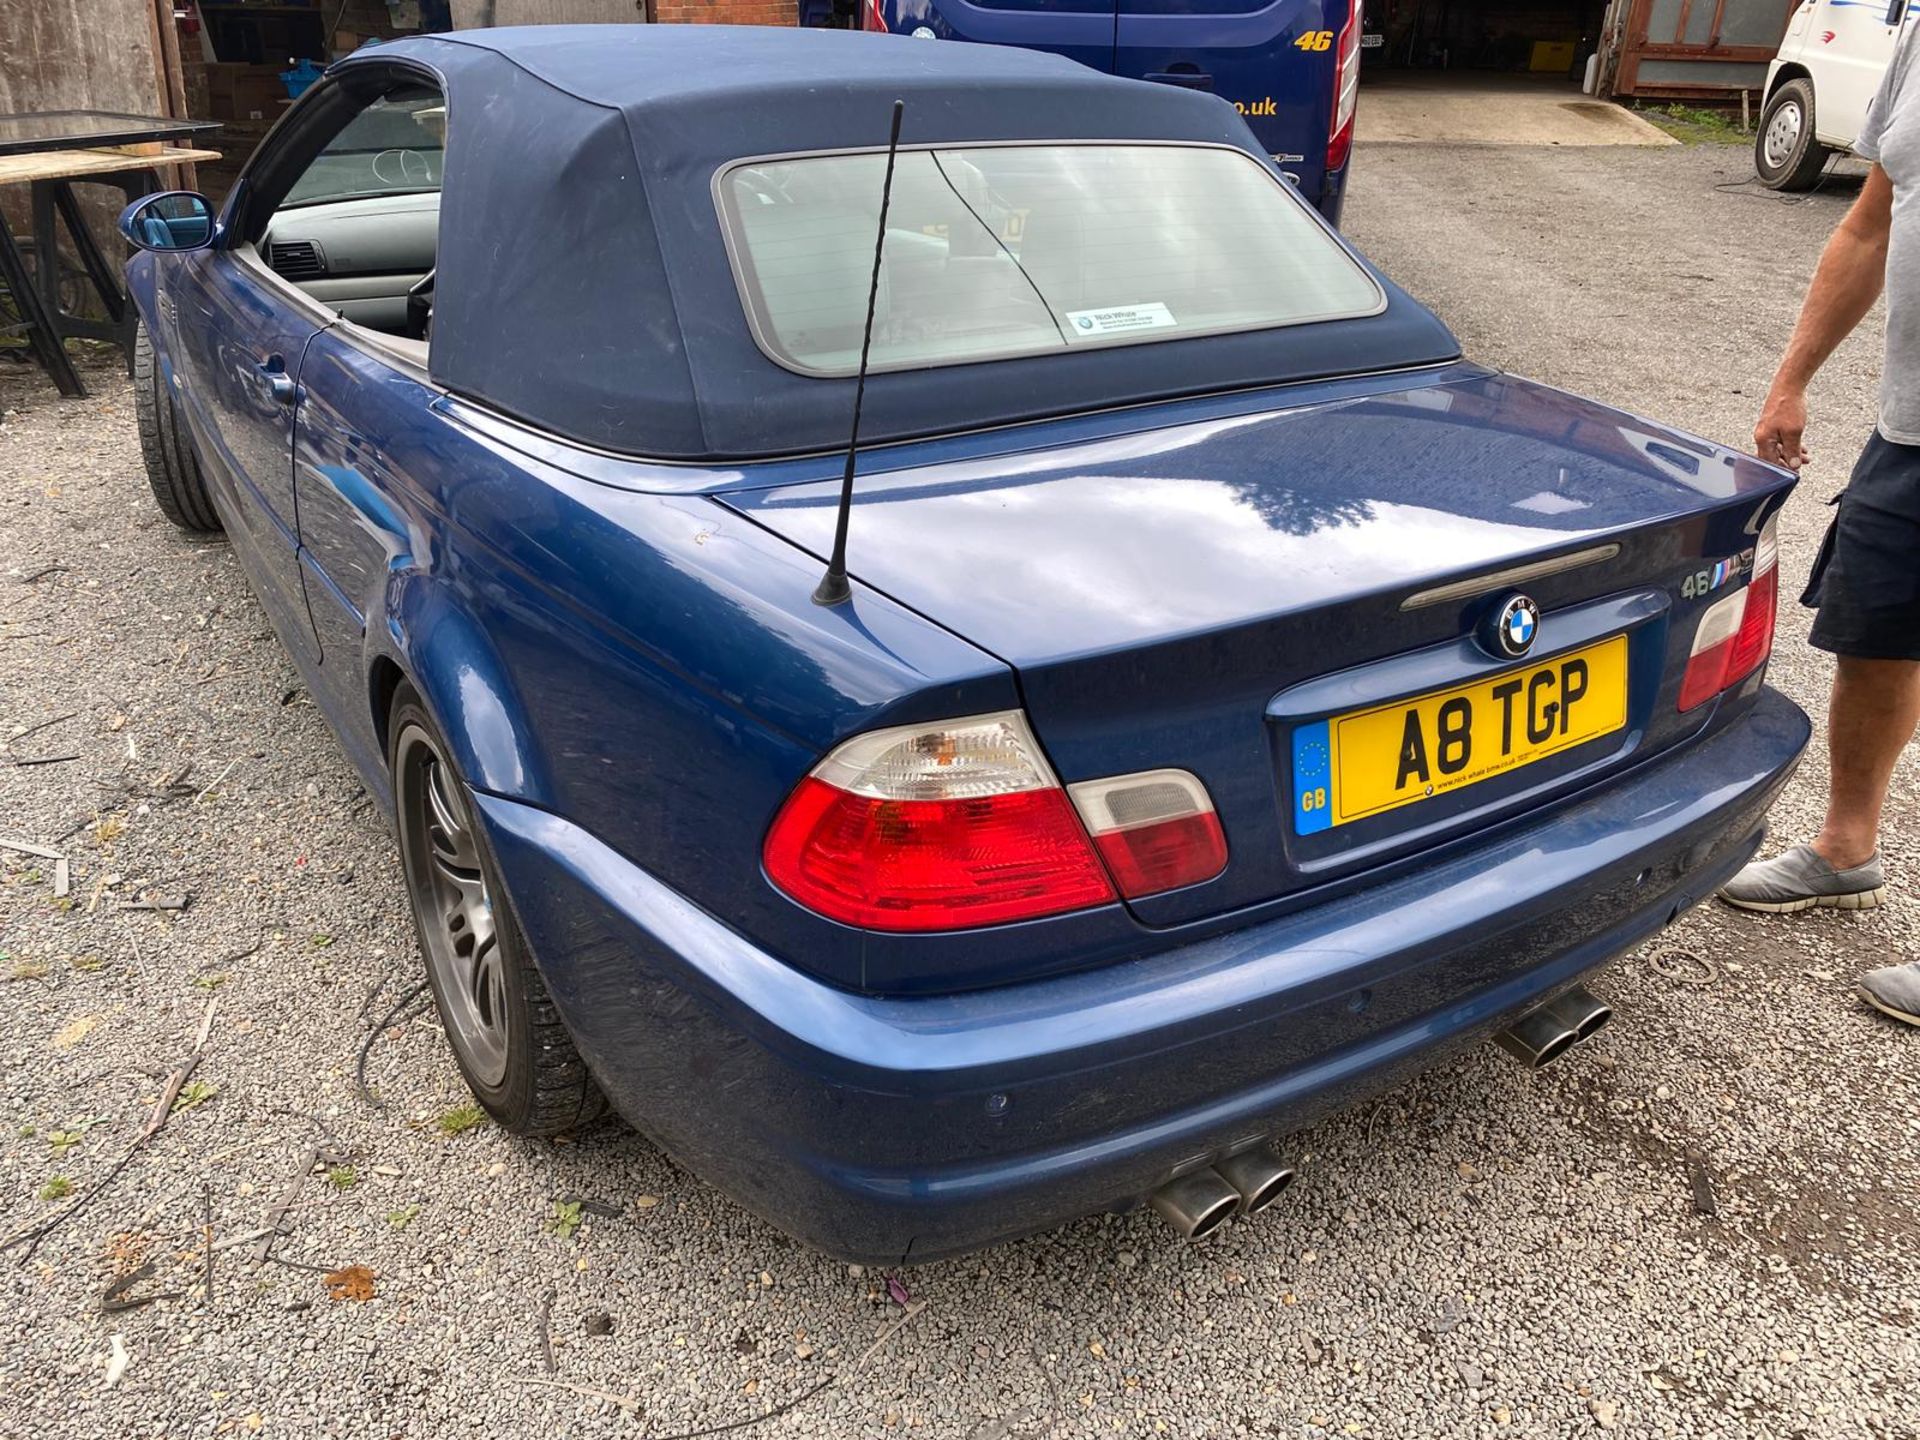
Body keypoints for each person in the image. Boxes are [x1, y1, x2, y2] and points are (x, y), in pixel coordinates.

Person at [1720, 24, 1920, 1027]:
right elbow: (1872, 226)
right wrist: (1792, 379)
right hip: (1912, 429)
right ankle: (1847, 849)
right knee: (1873, 638)